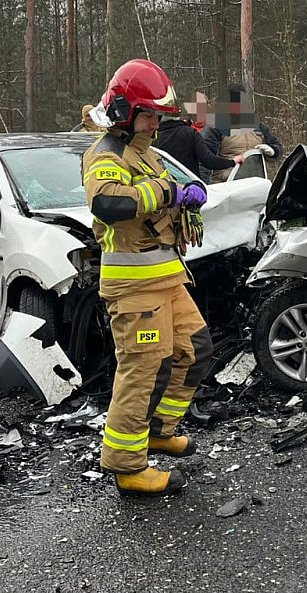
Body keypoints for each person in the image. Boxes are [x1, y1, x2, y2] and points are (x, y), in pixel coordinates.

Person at [81, 59, 215, 497]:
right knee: (143, 371)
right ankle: (128, 465)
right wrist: (168, 192)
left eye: (159, 116)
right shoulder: (106, 155)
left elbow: (172, 192)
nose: (156, 123)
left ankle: (160, 429)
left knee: (194, 350)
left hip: (168, 278)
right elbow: (110, 206)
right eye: (150, 115)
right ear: (124, 111)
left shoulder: (148, 151)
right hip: (135, 287)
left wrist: (189, 195)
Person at [201, 85, 283, 183]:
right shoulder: (215, 127)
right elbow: (205, 160)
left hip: (254, 185)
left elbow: (277, 147)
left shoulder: (258, 126)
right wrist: (204, 187)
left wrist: (273, 151)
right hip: (225, 186)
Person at [154, 112, 242, 178]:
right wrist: (232, 162)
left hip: (166, 187)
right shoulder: (190, 133)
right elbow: (208, 160)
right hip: (191, 187)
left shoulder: (153, 137)